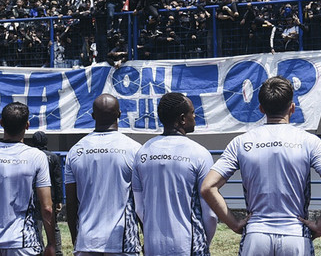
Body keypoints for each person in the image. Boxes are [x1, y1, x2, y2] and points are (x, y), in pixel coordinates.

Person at [201, 76, 321, 255]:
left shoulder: (240, 142)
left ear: (261, 109)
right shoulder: (309, 141)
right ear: (292, 108)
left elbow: (208, 187)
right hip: (295, 234)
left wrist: (234, 223)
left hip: (255, 235)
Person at [132, 92, 217, 256]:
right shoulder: (199, 154)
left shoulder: (142, 153)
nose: (195, 116)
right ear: (182, 119)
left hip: (153, 246)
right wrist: (203, 242)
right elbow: (210, 213)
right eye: (192, 112)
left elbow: (140, 207)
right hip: (189, 246)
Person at [0, 102, 56, 256]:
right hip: (23, 242)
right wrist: (51, 243)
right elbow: (47, 208)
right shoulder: (36, 157)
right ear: (27, 125)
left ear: (1, 123)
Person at [65, 94, 141, 255]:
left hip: (86, 241)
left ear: (93, 116)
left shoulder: (75, 151)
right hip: (123, 242)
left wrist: (76, 239)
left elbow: (71, 203)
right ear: (119, 114)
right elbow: (141, 201)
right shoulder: (134, 150)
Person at [30, 131, 64, 256]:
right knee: (53, 225)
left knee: (36, 225)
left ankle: (37, 249)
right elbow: (58, 180)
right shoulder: (53, 157)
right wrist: (59, 199)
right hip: (51, 197)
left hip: (33, 197)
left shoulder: (30, 156)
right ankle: (57, 250)